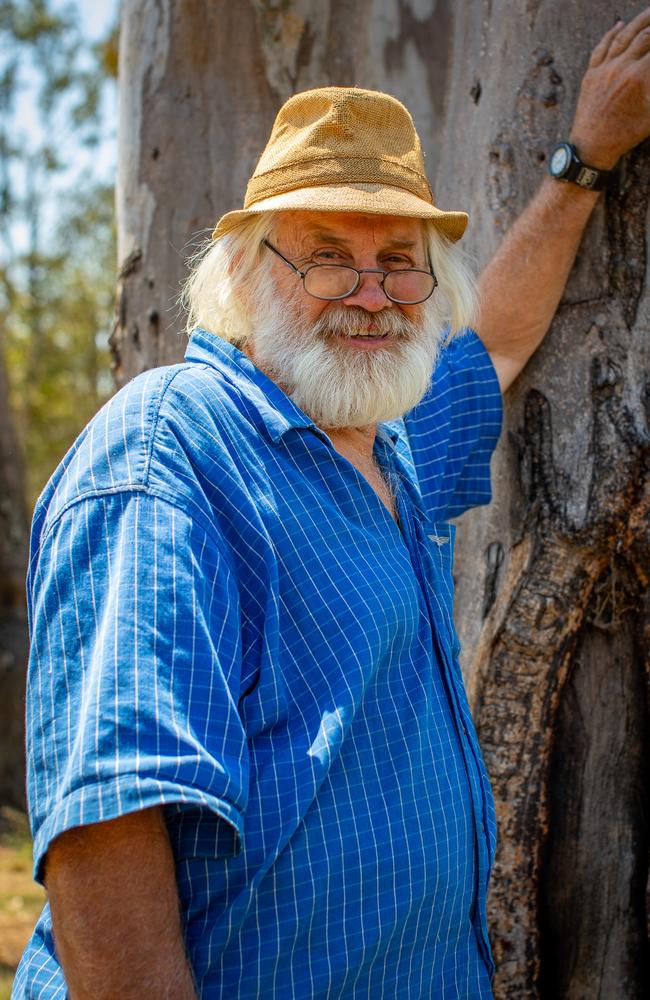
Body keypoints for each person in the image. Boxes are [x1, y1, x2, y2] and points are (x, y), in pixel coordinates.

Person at [13, 11, 650, 999]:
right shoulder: (172, 453)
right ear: (241, 269)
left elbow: (496, 342)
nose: (369, 292)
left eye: (400, 258)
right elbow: (109, 835)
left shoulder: (386, 437)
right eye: (323, 253)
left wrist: (584, 159)